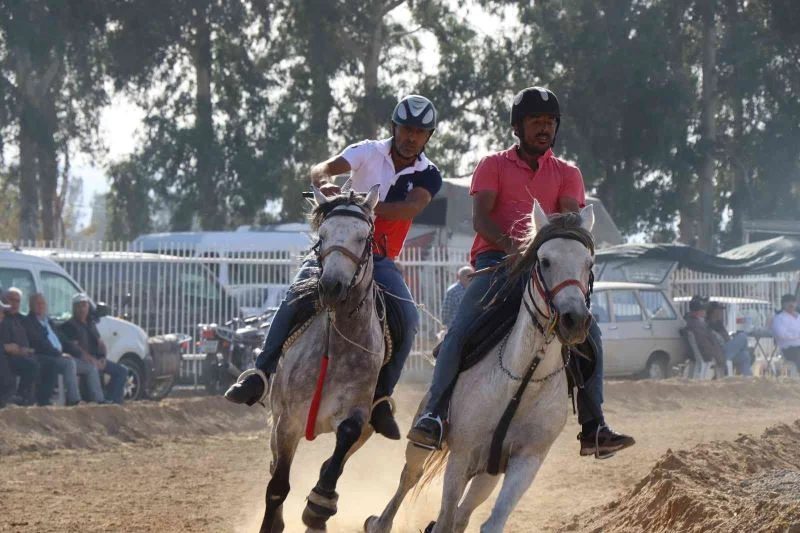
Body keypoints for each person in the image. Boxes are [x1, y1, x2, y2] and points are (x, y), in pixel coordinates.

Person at [407, 87, 635, 458]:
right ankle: (433, 414)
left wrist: (547, 255)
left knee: (589, 330)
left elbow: (567, 221)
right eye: (536, 122)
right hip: (495, 263)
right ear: (518, 127)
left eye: (550, 123)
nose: (544, 129)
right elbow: (481, 218)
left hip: (545, 270)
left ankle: (593, 426)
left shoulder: (568, 173)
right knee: (461, 329)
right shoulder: (492, 165)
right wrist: (516, 250)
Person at [225, 95, 443, 440]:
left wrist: (360, 206)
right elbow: (320, 168)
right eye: (405, 129)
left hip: (379, 259)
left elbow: (409, 208)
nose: (410, 137)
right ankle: (260, 373)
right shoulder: (368, 151)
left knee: (410, 318)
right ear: (394, 128)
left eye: (419, 132)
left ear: (428, 136)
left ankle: (381, 399)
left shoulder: (428, 174)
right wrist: (325, 183)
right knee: (294, 296)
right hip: (335, 251)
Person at [24, 292, 105, 404]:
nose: (41, 306)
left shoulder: (49, 322)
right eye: (37, 303)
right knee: (69, 363)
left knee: (90, 366)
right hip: (48, 356)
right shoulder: (29, 322)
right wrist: (58, 354)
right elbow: (39, 343)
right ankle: (74, 400)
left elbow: (64, 341)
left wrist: (81, 354)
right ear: (31, 306)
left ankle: (99, 400)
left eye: (43, 303)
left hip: (61, 355)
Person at [60, 293, 128, 404]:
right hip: (82, 360)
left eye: (84, 305)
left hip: (96, 359)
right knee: (92, 367)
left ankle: (113, 400)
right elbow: (75, 348)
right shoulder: (70, 326)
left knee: (122, 371)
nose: (82, 309)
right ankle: (100, 401)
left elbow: (100, 344)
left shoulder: (91, 324)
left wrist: (102, 357)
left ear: (88, 307)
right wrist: (92, 360)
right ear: (74, 308)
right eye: (79, 306)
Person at [0, 288, 41, 405]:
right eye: (11, 300)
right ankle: (15, 397)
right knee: (30, 365)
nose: (14, 304)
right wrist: (7, 348)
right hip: (7, 355)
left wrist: (27, 350)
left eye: (17, 301)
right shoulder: (5, 320)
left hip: (19, 353)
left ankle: (24, 397)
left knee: (38, 362)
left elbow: (34, 339)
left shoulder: (22, 319)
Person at [706, 301, 753, 377]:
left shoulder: (718, 324)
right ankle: (727, 366)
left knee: (745, 355)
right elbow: (714, 343)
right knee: (743, 336)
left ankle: (748, 378)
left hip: (725, 349)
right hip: (720, 352)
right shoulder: (708, 326)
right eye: (719, 310)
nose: (721, 313)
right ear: (714, 312)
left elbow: (727, 338)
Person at [684, 295, 724, 368]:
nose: (705, 312)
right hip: (713, 354)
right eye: (704, 309)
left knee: (744, 355)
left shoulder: (693, 323)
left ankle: (747, 375)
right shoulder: (698, 326)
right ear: (699, 312)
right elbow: (707, 345)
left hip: (709, 353)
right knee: (742, 337)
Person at [771, 293, 800, 371]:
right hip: (789, 349)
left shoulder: (798, 317)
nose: (791, 304)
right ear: (783, 304)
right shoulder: (779, 318)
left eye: (793, 302)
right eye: (788, 302)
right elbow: (781, 334)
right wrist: (797, 335)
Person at [441, 266, 474, 330]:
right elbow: (446, 310)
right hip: (455, 327)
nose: (471, 279)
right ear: (462, 277)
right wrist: (444, 324)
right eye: (470, 276)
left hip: (469, 326)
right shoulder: (453, 291)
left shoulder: (473, 289)